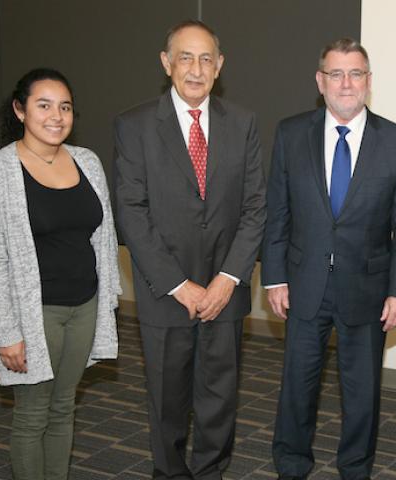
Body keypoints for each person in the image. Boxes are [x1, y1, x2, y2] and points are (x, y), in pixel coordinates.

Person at [261, 38, 396, 480]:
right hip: (302, 284)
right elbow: (278, 212)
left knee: (362, 391)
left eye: (355, 73)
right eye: (336, 73)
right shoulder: (291, 134)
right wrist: (274, 277)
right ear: (320, 81)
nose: (346, 83)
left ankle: (355, 469)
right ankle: (291, 465)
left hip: (368, 290)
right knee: (297, 387)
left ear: (369, 82)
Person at [114, 20, 266, 480]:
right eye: (185, 57)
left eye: (205, 59)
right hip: (165, 293)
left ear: (220, 66)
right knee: (168, 401)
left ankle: (211, 473)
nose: (195, 69)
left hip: (227, 290)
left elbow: (256, 206)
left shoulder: (244, 123)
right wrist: (180, 286)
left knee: (220, 400)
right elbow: (132, 214)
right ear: (166, 63)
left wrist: (227, 278)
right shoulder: (134, 125)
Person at [0, 68, 120, 480]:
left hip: (84, 307)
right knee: (33, 415)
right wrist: (6, 330)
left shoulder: (87, 161)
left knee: (63, 407)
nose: (56, 115)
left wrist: (106, 301)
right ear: (20, 110)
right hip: (35, 315)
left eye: (65, 106)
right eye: (44, 105)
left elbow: (103, 239)